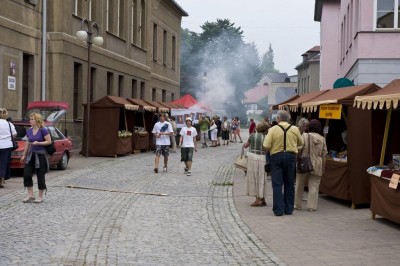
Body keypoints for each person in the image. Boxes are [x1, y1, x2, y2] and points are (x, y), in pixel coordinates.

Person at [263, 110, 303, 216]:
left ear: (278, 118)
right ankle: (289, 209)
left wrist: (268, 155)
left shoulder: (272, 129)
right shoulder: (295, 129)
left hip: (276, 157)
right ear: (289, 118)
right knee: (290, 183)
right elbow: (301, 143)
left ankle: (278, 210)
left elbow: (266, 146)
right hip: (291, 157)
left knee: (277, 184)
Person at [295, 119, 327, 212]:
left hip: (304, 163)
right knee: (314, 187)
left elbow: (299, 149)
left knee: (299, 184)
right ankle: (311, 207)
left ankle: (298, 204)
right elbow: (324, 154)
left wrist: (297, 158)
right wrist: (323, 166)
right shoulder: (322, 139)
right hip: (317, 164)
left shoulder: (304, 135)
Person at [20, 113, 52, 203]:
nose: (30, 121)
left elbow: (49, 142)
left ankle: (40, 196)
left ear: (37, 120)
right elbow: (27, 143)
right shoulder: (29, 130)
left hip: (41, 155)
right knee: (27, 174)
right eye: (30, 119)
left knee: (40, 175)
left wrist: (39, 143)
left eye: (32, 119)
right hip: (31, 155)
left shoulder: (43, 130)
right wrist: (24, 155)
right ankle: (30, 195)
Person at [243, 122, 270, 207]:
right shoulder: (265, 137)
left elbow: (246, 146)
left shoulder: (252, 135)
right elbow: (266, 150)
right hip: (262, 158)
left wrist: (244, 145)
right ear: (265, 130)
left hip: (252, 158)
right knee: (261, 178)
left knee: (254, 178)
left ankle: (257, 200)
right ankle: (262, 198)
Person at [0, 108, 17, 188]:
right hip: (6, 145)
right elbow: (14, 134)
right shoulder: (9, 124)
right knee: (4, 163)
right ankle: (1, 181)